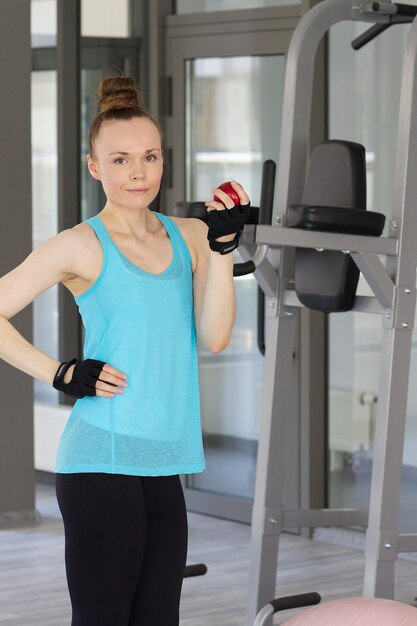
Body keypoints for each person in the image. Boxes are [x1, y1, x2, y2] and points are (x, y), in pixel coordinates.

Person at [0, 75, 250, 626]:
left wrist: (224, 250)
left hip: (164, 457)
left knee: (159, 617)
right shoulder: (79, 244)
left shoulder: (189, 235)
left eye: (149, 157)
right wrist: (60, 372)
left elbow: (214, 336)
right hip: (100, 455)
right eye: (119, 160)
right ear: (94, 167)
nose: (138, 172)